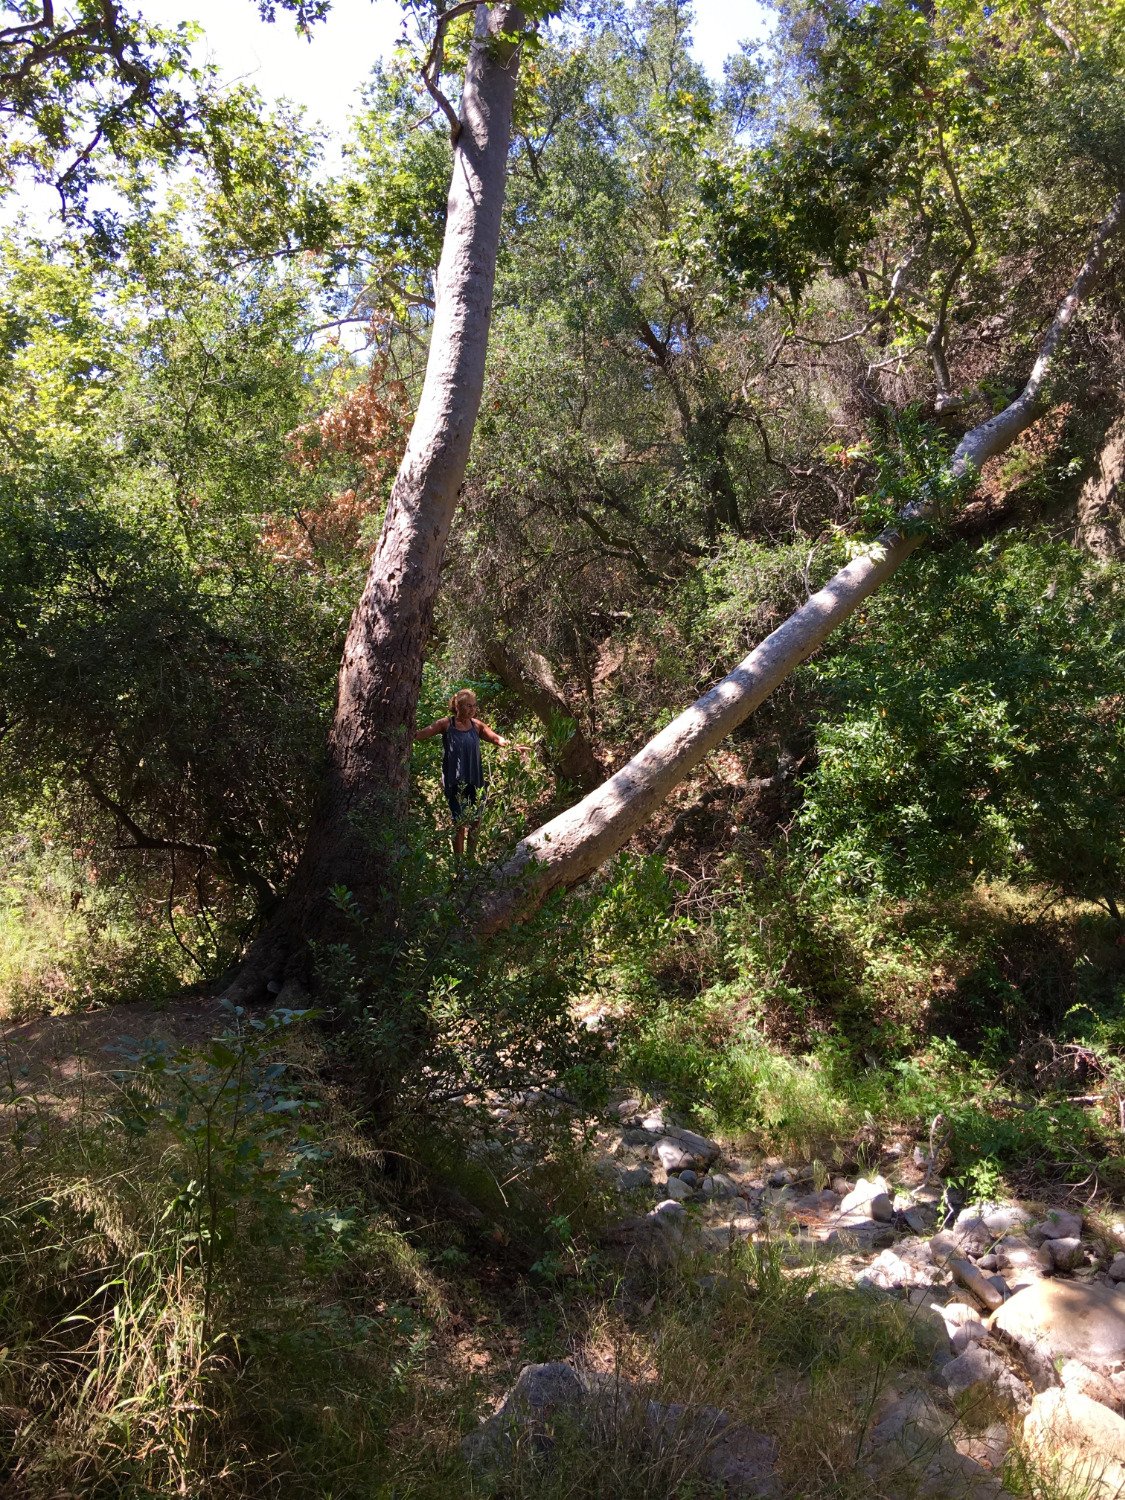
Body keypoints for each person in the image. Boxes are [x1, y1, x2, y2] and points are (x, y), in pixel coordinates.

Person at [413, 689, 528, 858]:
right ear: (458, 706)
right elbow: (420, 735)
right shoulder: (446, 724)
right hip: (455, 781)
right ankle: (459, 867)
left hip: (475, 779)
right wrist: (405, 729)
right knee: (459, 824)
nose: (473, 709)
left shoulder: (476, 725)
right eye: (468, 705)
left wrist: (513, 746)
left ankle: (470, 861)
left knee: (476, 821)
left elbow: (496, 738)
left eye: (474, 706)